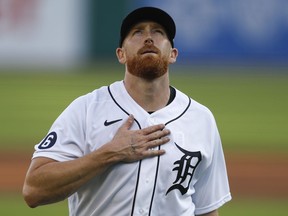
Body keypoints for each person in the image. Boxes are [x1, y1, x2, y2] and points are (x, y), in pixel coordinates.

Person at [23, 7, 231, 216]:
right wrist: (108, 154)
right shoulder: (86, 109)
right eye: (137, 32)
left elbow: (206, 209)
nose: (148, 38)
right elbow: (34, 191)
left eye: (158, 32)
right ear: (120, 54)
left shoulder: (201, 119)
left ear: (173, 55)